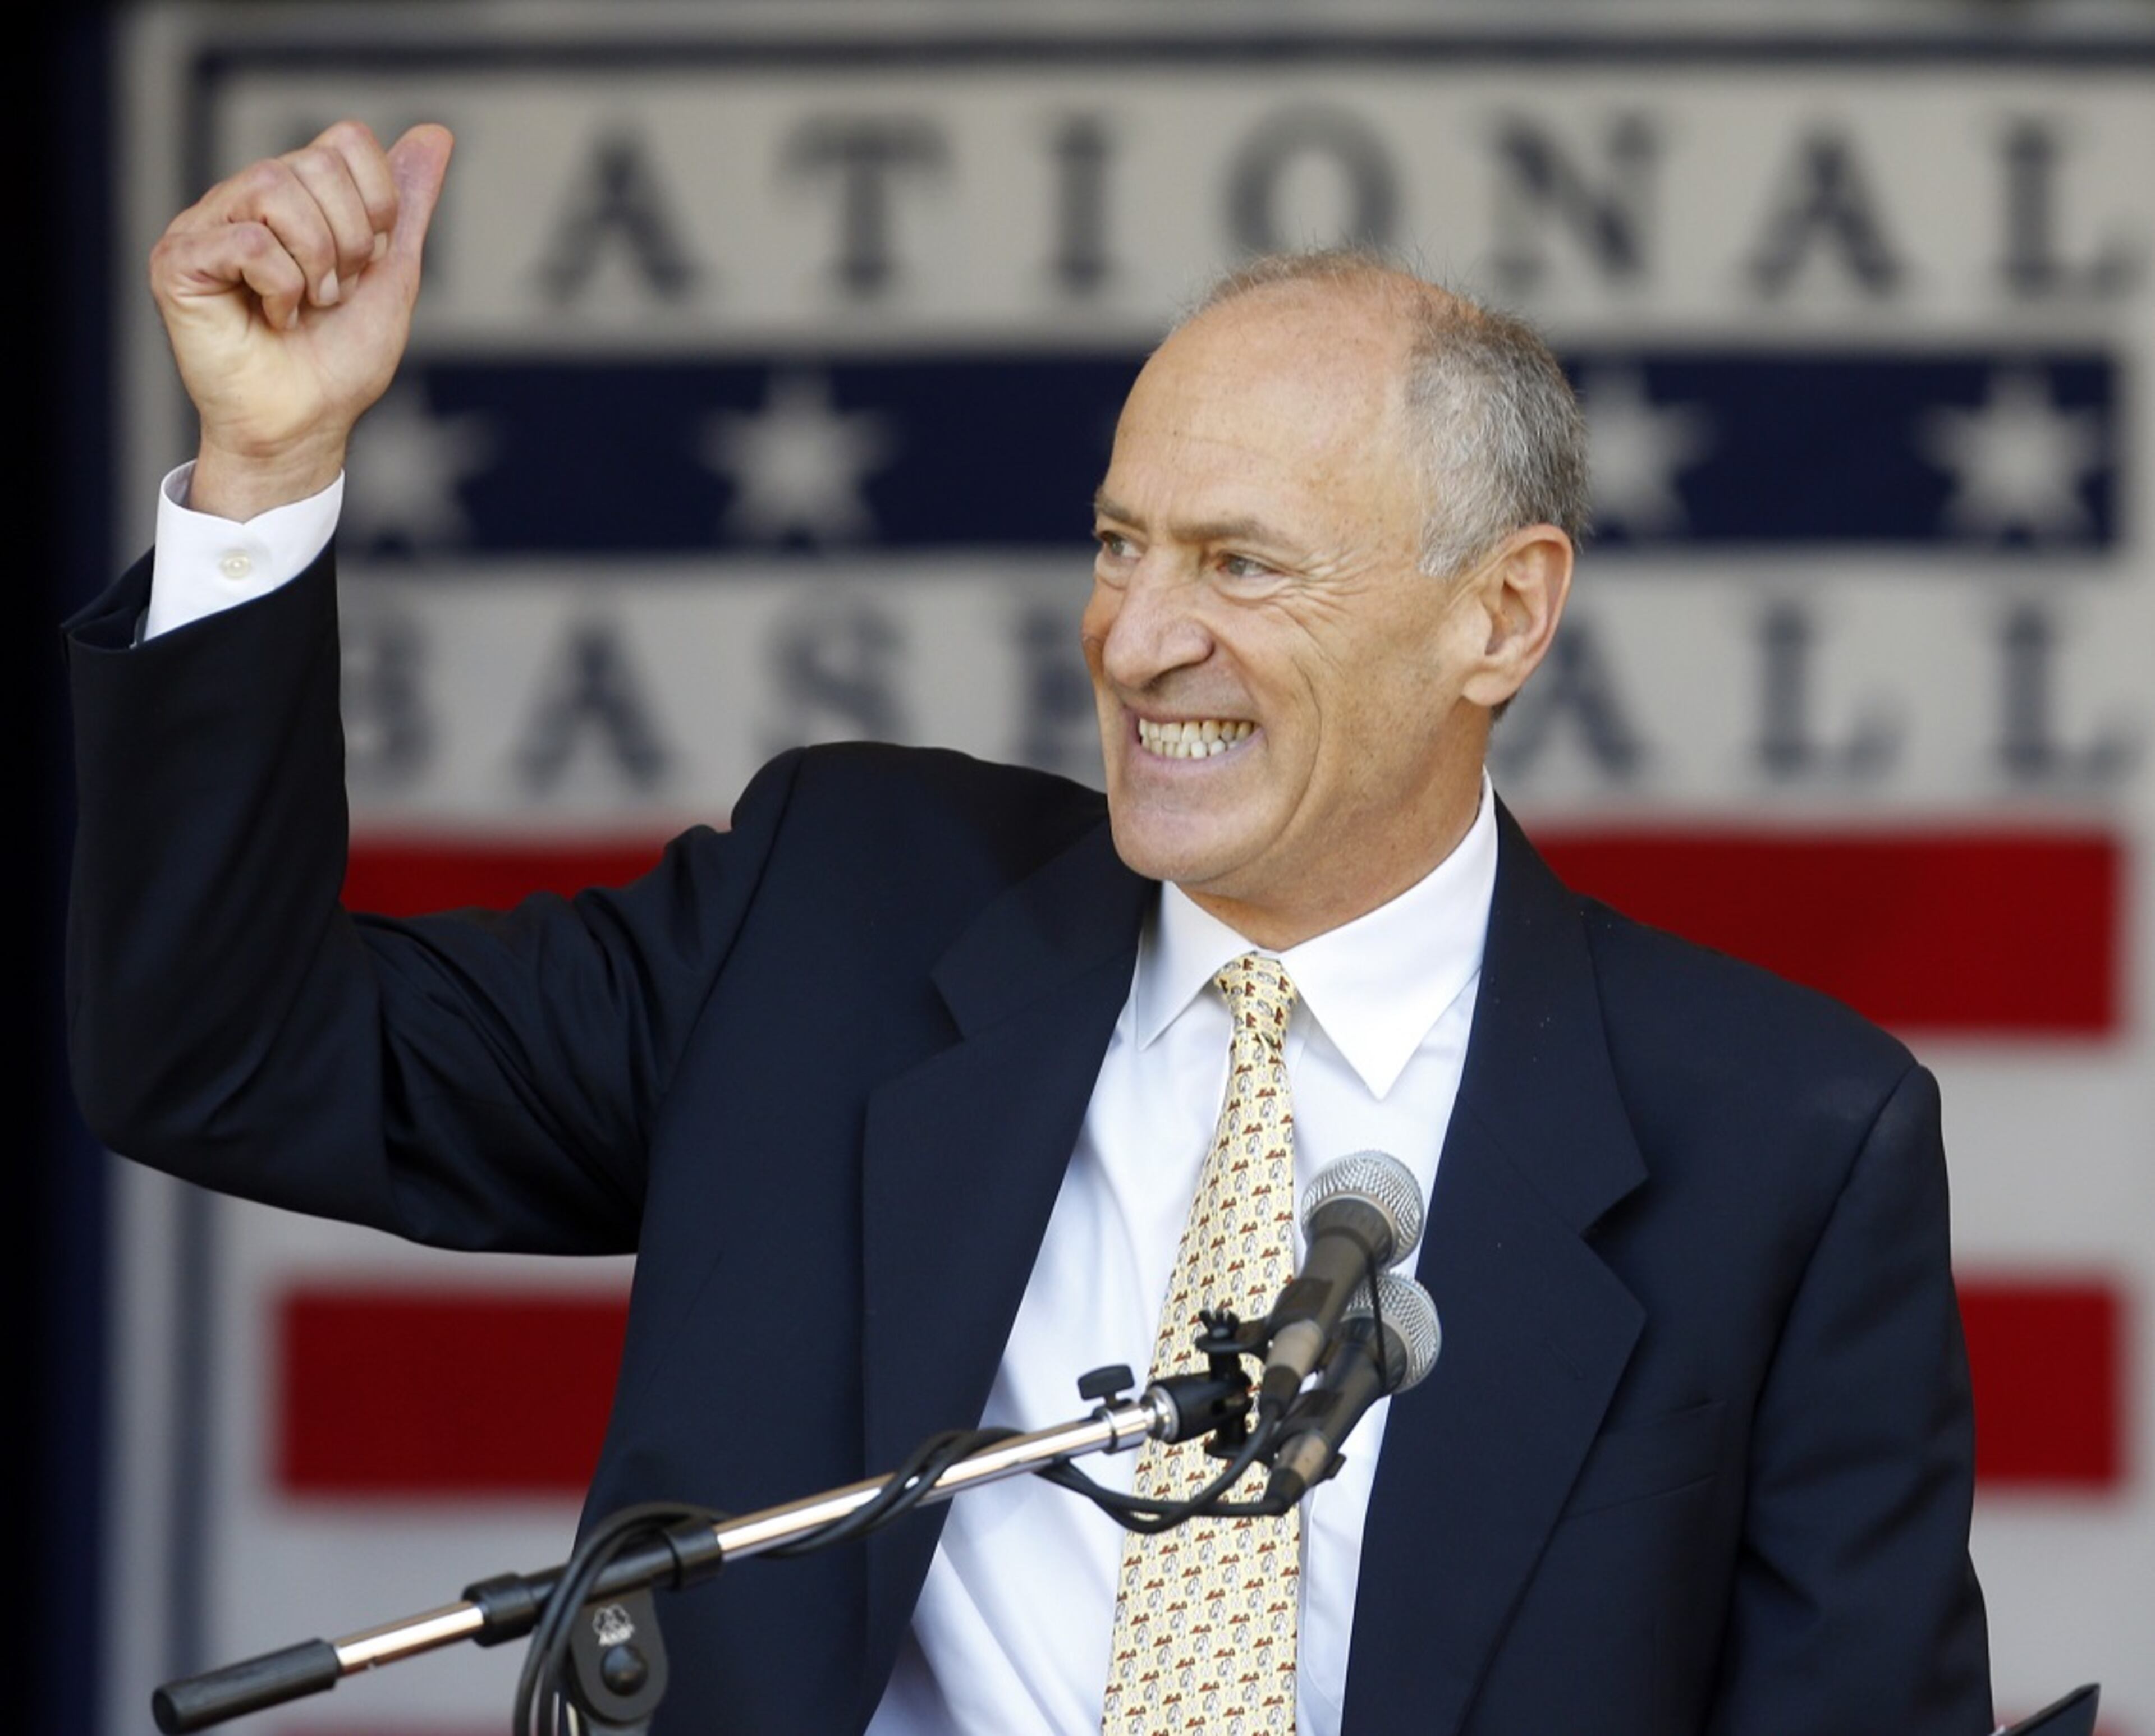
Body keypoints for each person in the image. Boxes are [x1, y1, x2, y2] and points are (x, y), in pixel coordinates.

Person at [67, 121, 1992, 1735]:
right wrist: (264, 470)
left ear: (1501, 615)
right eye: (1117, 543)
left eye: (1243, 566)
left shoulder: (1785, 1140)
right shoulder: (836, 919)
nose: (1140, 637)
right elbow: (229, 1056)